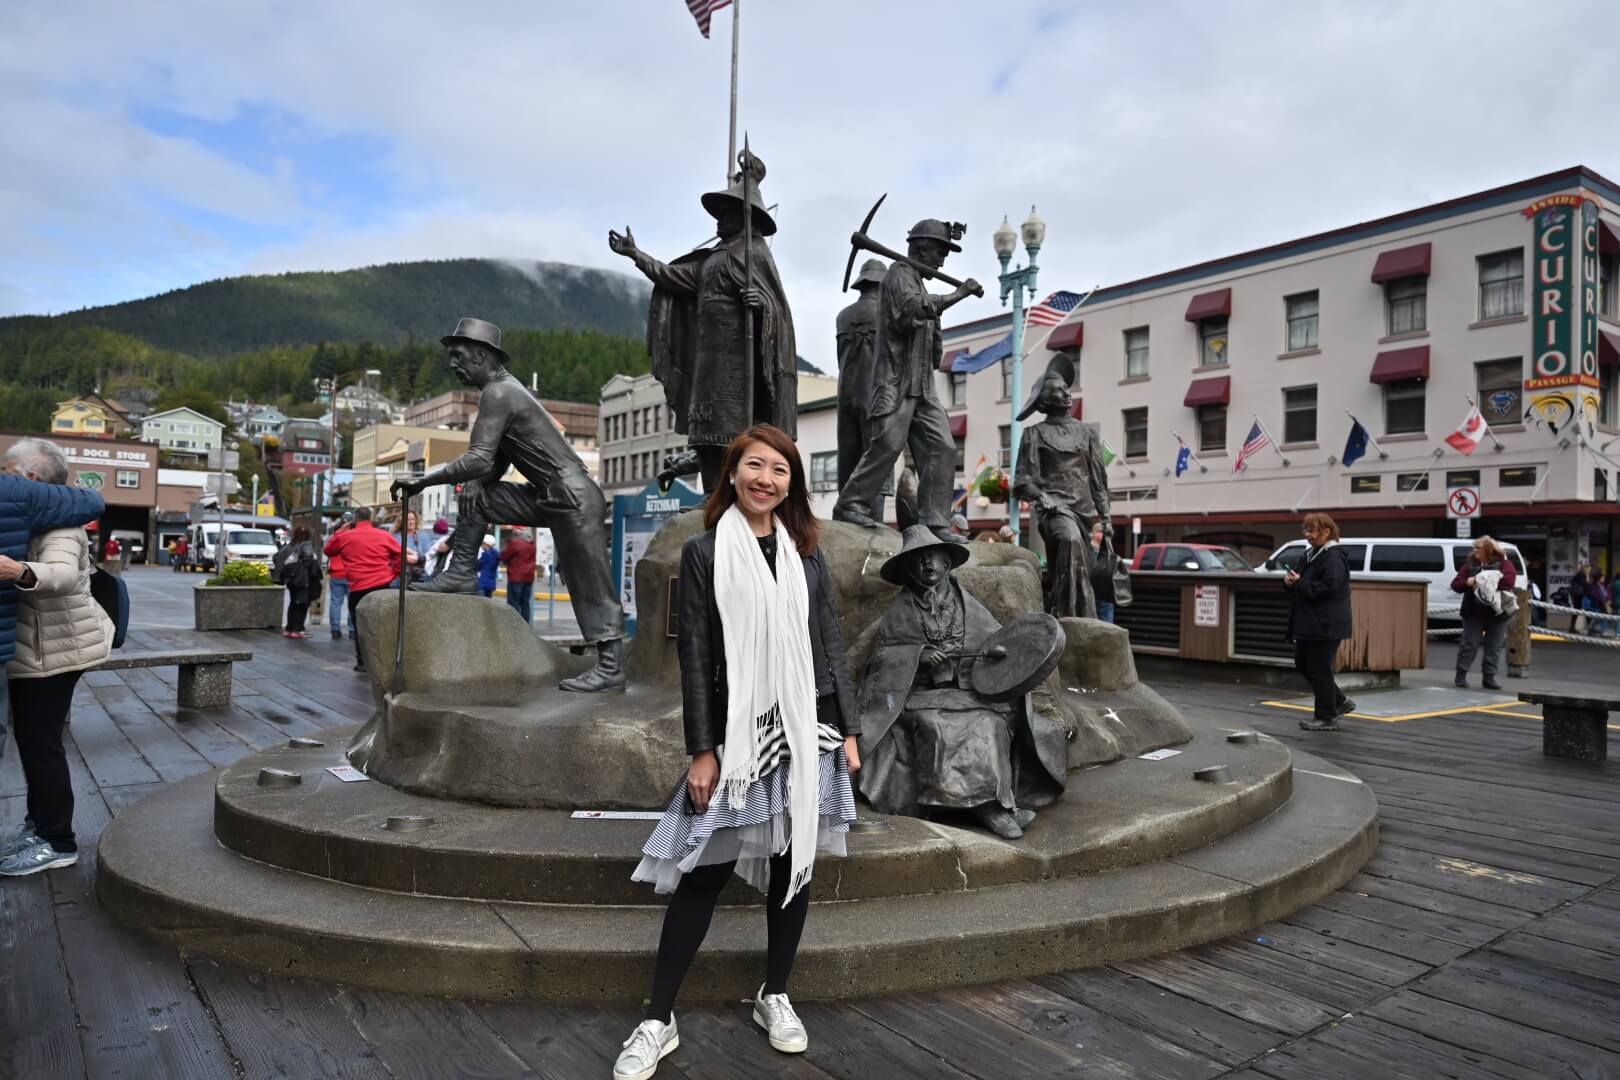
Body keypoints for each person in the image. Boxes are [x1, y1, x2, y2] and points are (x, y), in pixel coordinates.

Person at [613, 425, 859, 1080]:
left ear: (791, 483)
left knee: (793, 863)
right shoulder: (705, 552)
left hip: (808, 729)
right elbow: (696, 655)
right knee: (704, 873)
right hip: (737, 737)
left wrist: (850, 729)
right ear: (733, 472)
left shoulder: (806, 554)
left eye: (780, 469)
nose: (766, 479)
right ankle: (657, 1018)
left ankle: (774, 993)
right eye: (755, 465)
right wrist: (703, 750)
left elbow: (830, 644)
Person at [391, 318, 627, 692]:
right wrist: (473, 481)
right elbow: (493, 462)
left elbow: (479, 458)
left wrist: (422, 479)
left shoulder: (499, 393)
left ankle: (611, 668)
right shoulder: (503, 391)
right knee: (477, 493)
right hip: (551, 496)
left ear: (481, 355)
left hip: (574, 497)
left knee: (589, 581)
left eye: (459, 356)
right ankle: (461, 572)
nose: (453, 364)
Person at [857, 526, 1067, 839]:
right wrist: (917, 656)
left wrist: (995, 654)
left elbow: (998, 642)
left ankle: (994, 802)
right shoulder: (900, 611)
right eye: (917, 560)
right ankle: (989, 810)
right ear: (907, 570)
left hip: (965, 693)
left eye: (933, 557)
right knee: (938, 725)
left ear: (946, 562)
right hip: (919, 697)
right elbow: (883, 659)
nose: (926, 564)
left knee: (990, 723)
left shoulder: (967, 604)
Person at [608, 150, 798, 494]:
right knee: (705, 431)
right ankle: (711, 493)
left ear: (744, 218)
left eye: (726, 213)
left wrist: (761, 305)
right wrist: (636, 254)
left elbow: (778, 309)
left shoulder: (756, 253)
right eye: (718, 214)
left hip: (738, 362)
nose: (719, 220)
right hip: (707, 359)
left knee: (733, 432)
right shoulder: (711, 260)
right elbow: (670, 276)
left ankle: (731, 494)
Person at [0, 439, 111, 874]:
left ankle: (58, 841)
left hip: (55, 651)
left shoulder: (61, 525)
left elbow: (62, 575)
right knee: (33, 742)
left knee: (41, 743)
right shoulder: (32, 515)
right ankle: (40, 824)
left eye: (7, 470)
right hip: (38, 649)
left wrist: (19, 570)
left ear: (30, 478)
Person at [833, 219, 979, 543]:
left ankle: (935, 521)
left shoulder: (918, 282)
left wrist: (936, 343)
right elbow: (913, 310)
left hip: (923, 385)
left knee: (942, 447)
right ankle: (850, 503)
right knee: (887, 445)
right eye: (940, 253)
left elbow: (930, 329)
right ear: (922, 249)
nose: (942, 261)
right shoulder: (898, 275)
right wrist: (959, 294)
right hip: (897, 382)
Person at [1012, 355, 1111, 619]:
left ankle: (1066, 611)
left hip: (1083, 510)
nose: (1067, 393)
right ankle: (1074, 616)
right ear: (1046, 400)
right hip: (1054, 509)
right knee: (1069, 540)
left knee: (1076, 560)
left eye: (1067, 388)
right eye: (1059, 390)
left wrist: (1106, 518)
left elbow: (1098, 480)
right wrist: (1043, 497)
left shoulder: (1087, 433)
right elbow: (1022, 481)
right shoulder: (1034, 434)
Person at [1285, 512, 1354, 731]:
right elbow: (1305, 584)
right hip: (1312, 622)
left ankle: (1326, 717)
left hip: (1326, 623)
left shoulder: (1333, 557)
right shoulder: (1312, 554)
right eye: (1305, 530)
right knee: (1304, 665)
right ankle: (1339, 702)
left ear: (1326, 531)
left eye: (1312, 530)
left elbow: (1328, 589)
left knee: (1318, 669)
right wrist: (1291, 583)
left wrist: (1299, 583)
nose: (1308, 535)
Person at [835, 258, 888, 524]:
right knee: (876, 456)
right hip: (876, 395)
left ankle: (845, 512)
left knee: (848, 455)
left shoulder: (843, 316)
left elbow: (839, 358)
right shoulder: (887, 314)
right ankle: (873, 517)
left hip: (845, 394)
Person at [322, 507, 401, 672]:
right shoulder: (383, 535)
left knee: (361, 625)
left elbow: (328, 550)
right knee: (381, 623)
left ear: (354, 519)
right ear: (370, 518)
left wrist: (340, 530)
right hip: (382, 584)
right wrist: (394, 573)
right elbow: (400, 555)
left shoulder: (345, 536)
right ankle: (382, 661)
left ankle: (362, 662)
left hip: (358, 586)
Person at [1451, 536, 1518, 688]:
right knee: (1469, 644)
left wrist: (1481, 580)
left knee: (1494, 647)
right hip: (1473, 612)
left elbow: (1508, 582)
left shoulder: (1505, 564)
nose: (1474, 550)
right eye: (1474, 547)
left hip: (1498, 613)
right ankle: (1461, 675)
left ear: (1488, 550)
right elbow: (1456, 585)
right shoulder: (1469, 565)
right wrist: (1468, 582)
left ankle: (1489, 678)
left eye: (1478, 547)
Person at [279, 525, 320, 639]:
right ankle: (298, 629)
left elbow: (278, 558)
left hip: (291, 580)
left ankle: (289, 628)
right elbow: (309, 561)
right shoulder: (306, 545)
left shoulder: (288, 546)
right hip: (303, 579)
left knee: (293, 602)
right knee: (302, 604)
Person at [500, 528, 536, 625]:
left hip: (516, 576)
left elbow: (504, 556)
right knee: (525, 602)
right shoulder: (532, 544)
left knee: (514, 602)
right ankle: (525, 624)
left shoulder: (516, 543)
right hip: (529, 577)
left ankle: (514, 624)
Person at [326, 512, 353, 641]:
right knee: (352, 603)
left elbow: (327, 550)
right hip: (351, 574)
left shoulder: (336, 535)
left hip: (336, 573)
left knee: (335, 602)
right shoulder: (355, 535)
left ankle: (335, 630)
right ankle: (352, 630)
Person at [1090, 521, 1120, 623]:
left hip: (1104, 593)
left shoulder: (1107, 550)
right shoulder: (1091, 550)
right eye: (1100, 532)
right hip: (1096, 592)